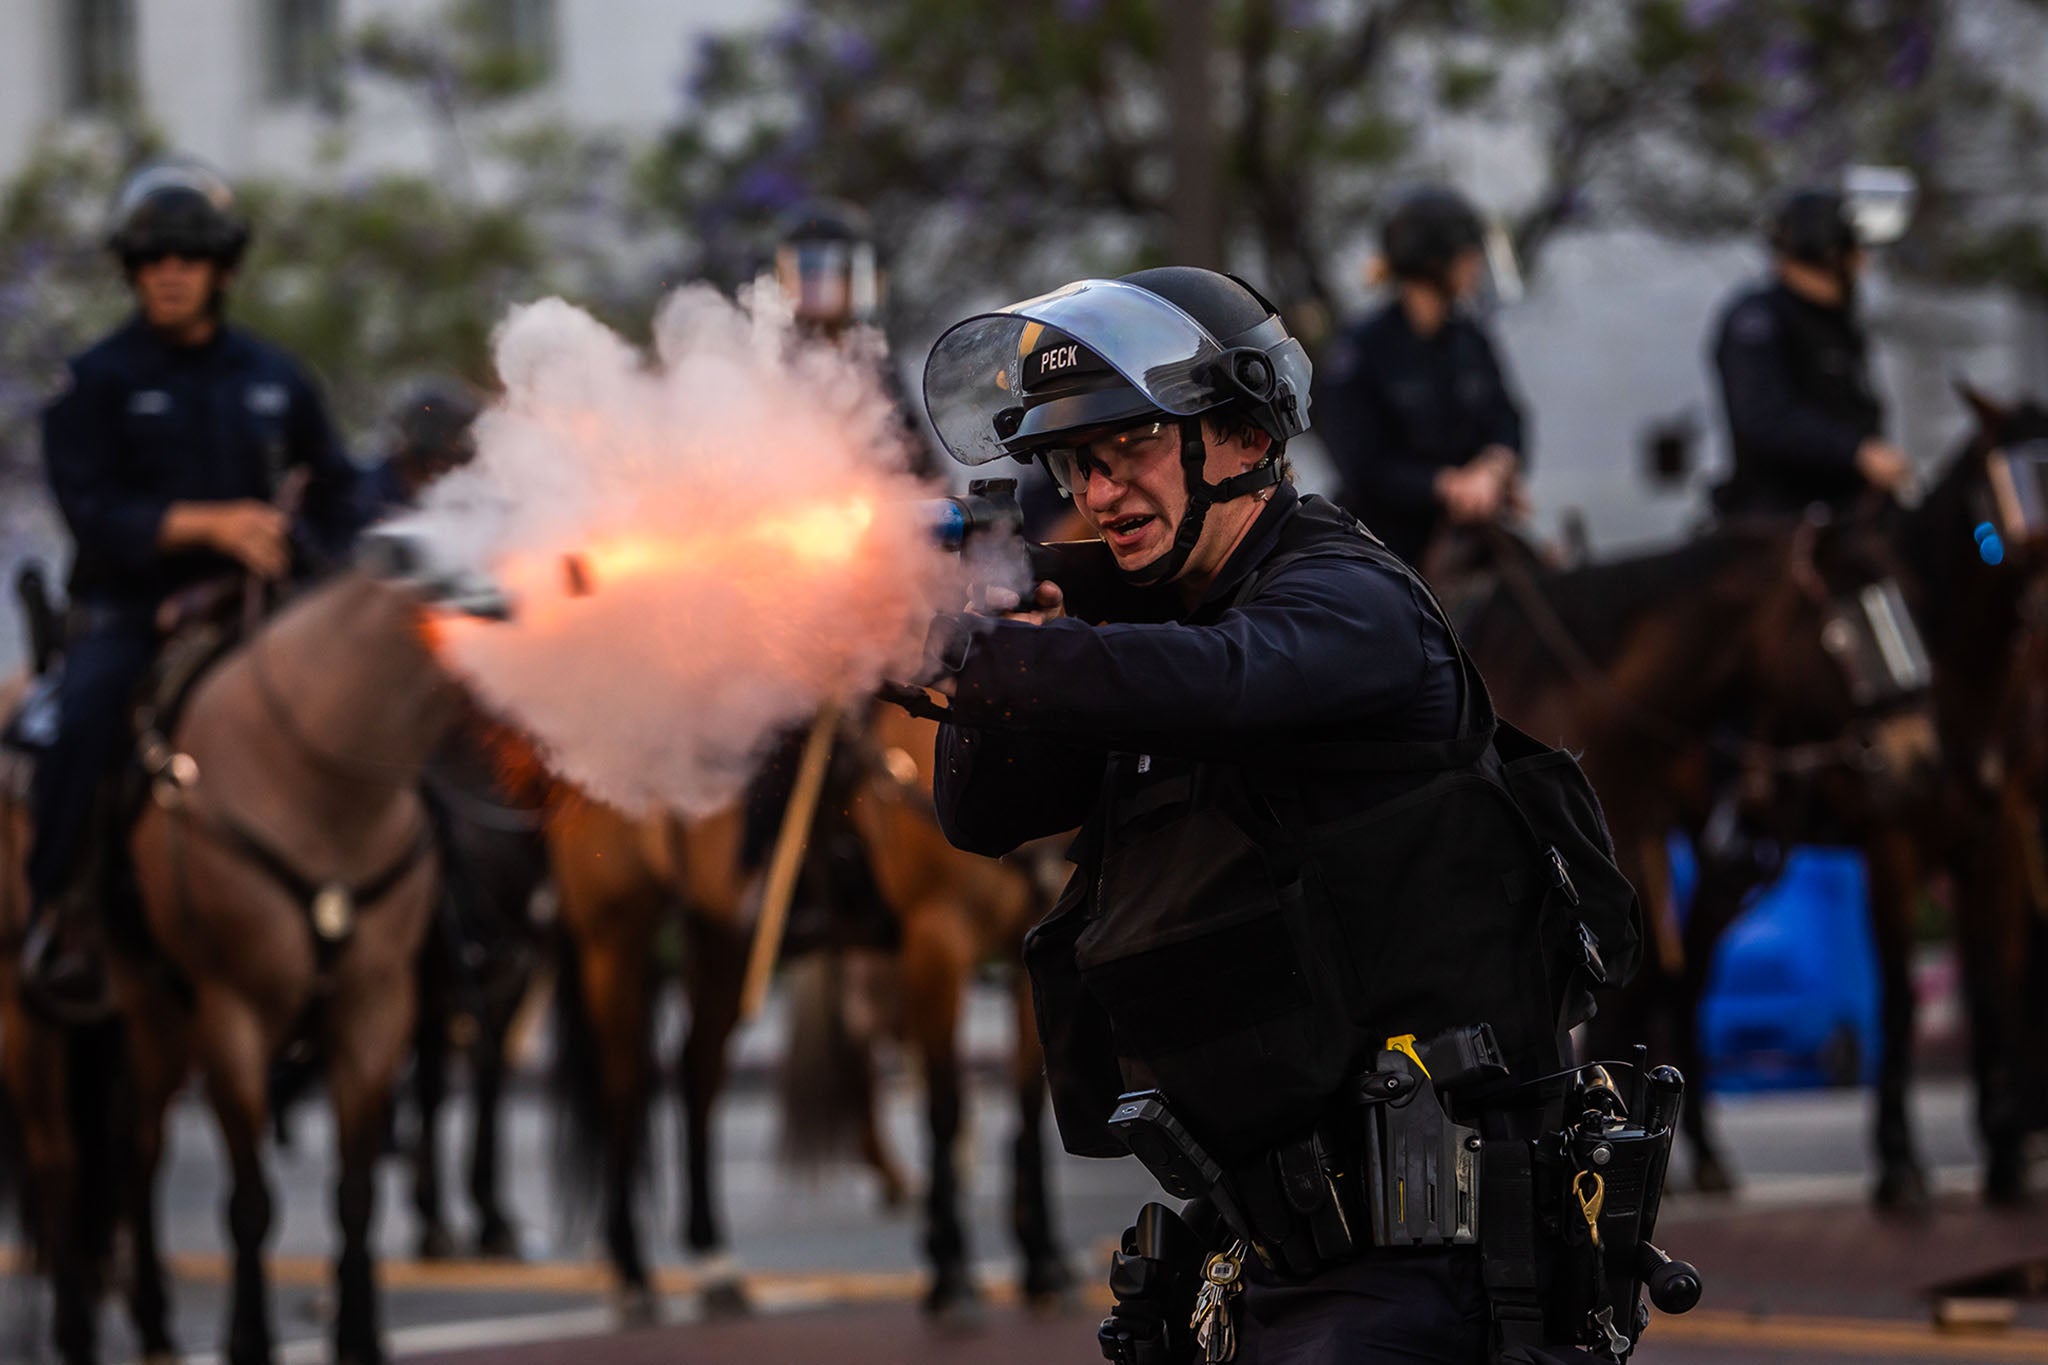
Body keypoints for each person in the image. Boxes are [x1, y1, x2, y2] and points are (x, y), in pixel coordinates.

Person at [914, 268, 1645, 1363]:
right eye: (1074, 465)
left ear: (1245, 435)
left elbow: (1226, 681)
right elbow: (982, 813)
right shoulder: (1150, 630)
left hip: (1420, 1271)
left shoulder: (1347, 596)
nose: (1097, 493)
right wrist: (986, 642)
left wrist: (1007, 657)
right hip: (1260, 1253)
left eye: (1129, 451)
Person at [22, 159, 362, 1009]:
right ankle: (59, 911)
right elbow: (90, 510)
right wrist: (207, 523)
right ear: (132, 271)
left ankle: (435, 931)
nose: (168, 273)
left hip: (267, 608)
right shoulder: (95, 380)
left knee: (380, 715)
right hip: (138, 609)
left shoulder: (275, 377)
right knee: (84, 718)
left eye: (187, 256)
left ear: (223, 269)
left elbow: (340, 491)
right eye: (151, 259)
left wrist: (298, 538)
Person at [1316, 186, 1528, 568]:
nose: (1475, 265)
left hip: (1470, 534)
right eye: (1467, 255)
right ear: (1433, 263)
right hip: (1382, 544)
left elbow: (1508, 418)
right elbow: (1361, 463)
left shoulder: (1471, 339)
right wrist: (1450, 485)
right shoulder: (1362, 347)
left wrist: (1495, 467)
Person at [1708, 187, 1913, 517]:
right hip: (1781, 515)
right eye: (1854, 252)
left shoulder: (1836, 322)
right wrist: (1857, 453)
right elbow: (1766, 417)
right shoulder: (1760, 320)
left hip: (1854, 506)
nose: (1863, 265)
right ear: (1829, 255)